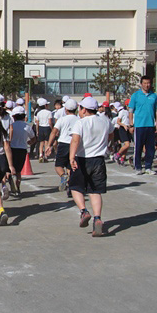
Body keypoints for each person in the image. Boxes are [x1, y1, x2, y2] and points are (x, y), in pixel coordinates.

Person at [68, 97, 114, 238]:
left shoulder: (80, 123)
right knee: (95, 191)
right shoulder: (105, 121)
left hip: (83, 159)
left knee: (75, 187)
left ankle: (83, 211)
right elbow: (112, 134)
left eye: (80, 108)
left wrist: (71, 157)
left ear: (85, 110)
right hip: (99, 160)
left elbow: (75, 140)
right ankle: (97, 218)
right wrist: (107, 145)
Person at [46, 99, 79, 195]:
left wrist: (49, 145)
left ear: (66, 109)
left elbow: (54, 132)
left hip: (63, 143)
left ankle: (63, 176)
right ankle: (70, 185)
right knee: (70, 166)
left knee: (58, 166)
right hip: (75, 144)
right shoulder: (79, 120)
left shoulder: (62, 119)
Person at [129, 75, 157, 175]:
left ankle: (148, 166)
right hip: (139, 125)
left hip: (150, 125)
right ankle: (137, 167)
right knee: (138, 147)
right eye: (145, 83)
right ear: (141, 84)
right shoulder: (135, 96)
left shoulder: (154, 96)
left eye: (148, 83)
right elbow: (130, 111)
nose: (147, 85)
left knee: (150, 147)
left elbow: (156, 111)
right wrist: (131, 124)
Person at [8, 106, 36, 197]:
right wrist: (29, 142)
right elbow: (33, 138)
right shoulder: (27, 126)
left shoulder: (11, 126)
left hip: (11, 149)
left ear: (14, 116)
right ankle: (18, 187)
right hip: (22, 150)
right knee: (19, 171)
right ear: (24, 116)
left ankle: (9, 183)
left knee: (9, 169)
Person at [34, 98, 53, 162]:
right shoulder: (49, 112)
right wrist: (52, 128)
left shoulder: (38, 113)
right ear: (45, 105)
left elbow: (37, 122)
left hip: (41, 127)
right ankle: (46, 155)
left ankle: (40, 155)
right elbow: (50, 122)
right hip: (47, 127)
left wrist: (37, 130)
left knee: (41, 143)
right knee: (46, 142)